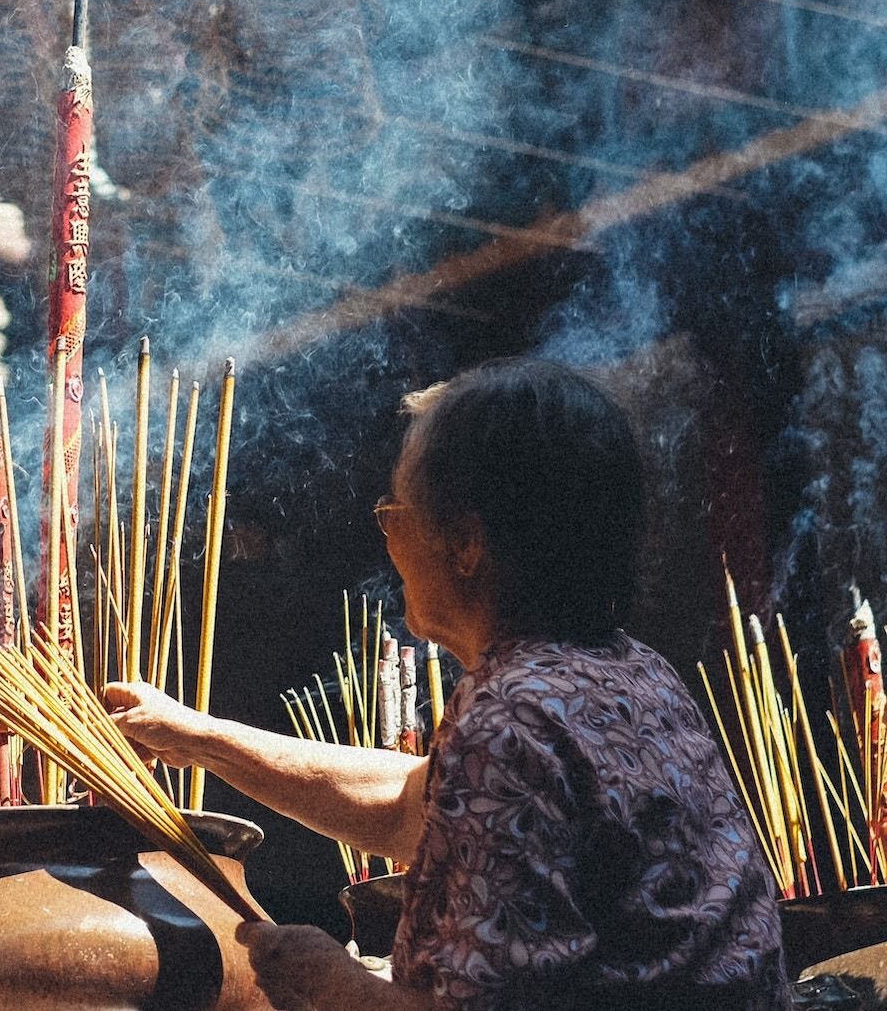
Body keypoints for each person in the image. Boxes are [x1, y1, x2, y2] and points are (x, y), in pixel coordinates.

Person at [106, 356, 791, 1010]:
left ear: (466, 542)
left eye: (393, 512)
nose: (386, 538)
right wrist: (198, 736)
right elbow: (413, 805)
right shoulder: (630, 673)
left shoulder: (515, 723)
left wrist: (329, 979)